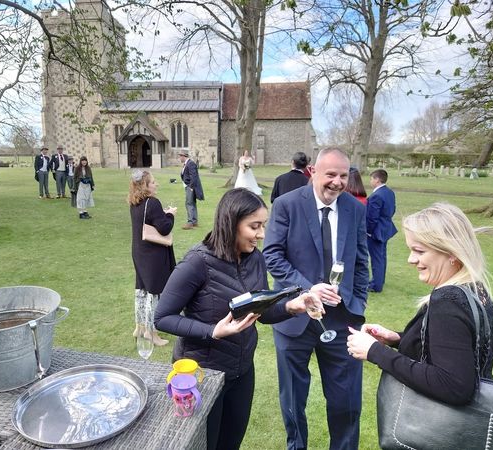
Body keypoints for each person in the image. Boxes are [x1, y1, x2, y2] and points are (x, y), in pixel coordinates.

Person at [155, 188, 324, 450]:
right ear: (231, 223)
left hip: (242, 370)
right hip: (203, 375)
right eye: (254, 226)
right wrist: (213, 331)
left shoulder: (255, 258)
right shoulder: (197, 262)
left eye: (263, 225)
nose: (262, 234)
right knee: (203, 445)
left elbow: (261, 311)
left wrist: (293, 305)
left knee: (230, 444)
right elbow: (162, 317)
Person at [263, 147, 368, 450]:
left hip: (342, 317)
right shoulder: (286, 205)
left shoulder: (355, 208)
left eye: (343, 176)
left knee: (346, 400)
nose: (337, 182)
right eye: (331, 175)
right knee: (293, 400)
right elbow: (272, 256)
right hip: (294, 316)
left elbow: (361, 261)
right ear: (313, 172)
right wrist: (308, 289)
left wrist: (358, 303)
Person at [347, 202, 493, 406]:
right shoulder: (475, 289)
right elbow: (454, 348)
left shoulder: (448, 302)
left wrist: (375, 351)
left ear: (451, 251)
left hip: (445, 434)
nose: (411, 259)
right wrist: (397, 339)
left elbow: (454, 386)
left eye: (419, 251)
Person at [129, 170, 176, 346]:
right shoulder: (153, 202)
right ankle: (151, 332)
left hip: (139, 251)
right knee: (153, 293)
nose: (156, 184)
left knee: (141, 290)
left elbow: (149, 221)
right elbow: (164, 228)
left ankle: (139, 326)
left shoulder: (135, 202)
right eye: (153, 182)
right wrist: (171, 214)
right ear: (145, 186)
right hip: (152, 255)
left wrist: (162, 214)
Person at [366, 169, 397, 292]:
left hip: (376, 231)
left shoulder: (376, 195)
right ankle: (379, 280)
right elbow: (393, 209)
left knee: (377, 258)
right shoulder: (389, 192)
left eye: (372, 179)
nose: (371, 181)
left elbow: (372, 217)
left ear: (377, 180)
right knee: (382, 256)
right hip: (385, 227)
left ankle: (376, 285)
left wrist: (368, 230)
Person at [178, 150, 204, 230]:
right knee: (192, 203)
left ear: (183, 156)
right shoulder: (186, 164)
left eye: (180, 156)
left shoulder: (191, 163)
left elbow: (194, 176)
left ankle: (190, 223)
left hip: (190, 187)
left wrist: (191, 187)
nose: (179, 158)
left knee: (189, 204)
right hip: (188, 186)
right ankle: (194, 222)